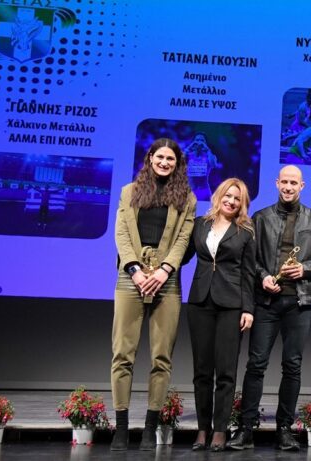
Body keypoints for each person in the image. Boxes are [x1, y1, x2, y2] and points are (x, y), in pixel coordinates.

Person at [227, 165, 311, 451]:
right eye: (284, 181)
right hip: (266, 302)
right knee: (256, 365)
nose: (288, 187)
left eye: (293, 183)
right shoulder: (261, 218)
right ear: (276, 183)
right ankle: (246, 429)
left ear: (302, 186)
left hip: (299, 302)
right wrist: (263, 277)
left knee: (292, 366)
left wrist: (305, 268)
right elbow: (250, 258)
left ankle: (284, 429)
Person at [111, 138, 196, 451]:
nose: (164, 162)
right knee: (122, 354)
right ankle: (121, 428)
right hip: (130, 276)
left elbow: (183, 239)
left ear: (177, 164)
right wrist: (134, 269)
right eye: (160, 157)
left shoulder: (187, 198)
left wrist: (163, 271)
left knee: (162, 357)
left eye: (170, 159)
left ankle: (150, 427)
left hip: (167, 279)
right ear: (150, 158)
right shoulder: (128, 192)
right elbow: (122, 233)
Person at [185, 178, 256, 452]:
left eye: (237, 198)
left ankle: (220, 430)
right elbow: (183, 255)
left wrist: (248, 308)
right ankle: (202, 429)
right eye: (228, 195)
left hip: (231, 305)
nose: (231, 201)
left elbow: (248, 273)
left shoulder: (245, 231)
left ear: (242, 203)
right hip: (200, 302)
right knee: (201, 371)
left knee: (226, 372)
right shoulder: (200, 225)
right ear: (218, 196)